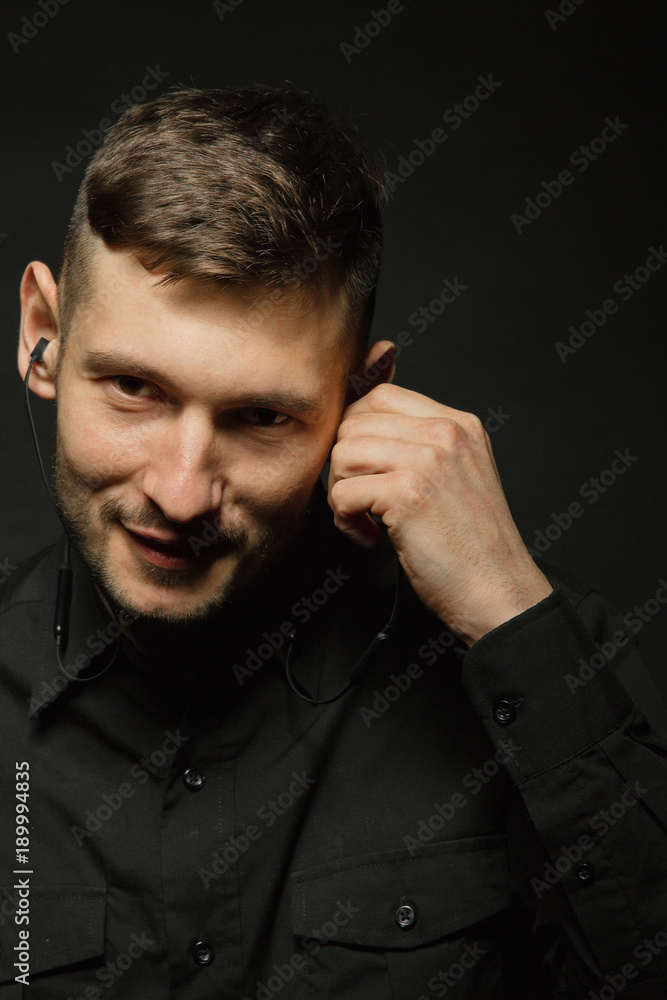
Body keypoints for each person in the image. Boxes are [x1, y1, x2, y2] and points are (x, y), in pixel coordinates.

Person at [2, 84, 666, 1000]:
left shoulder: (532, 670)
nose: (180, 492)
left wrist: (512, 609)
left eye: (262, 416)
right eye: (133, 389)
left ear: (363, 396)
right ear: (42, 336)